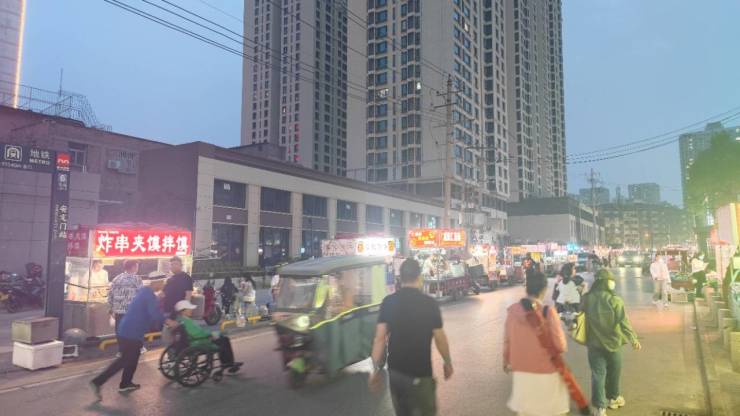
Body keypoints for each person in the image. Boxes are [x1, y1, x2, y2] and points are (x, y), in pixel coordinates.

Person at [369, 258, 453, 416]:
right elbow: (440, 338)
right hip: (420, 373)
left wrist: (375, 369)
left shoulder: (388, 302)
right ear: (419, 277)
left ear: (400, 278)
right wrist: (447, 362)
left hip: (396, 374)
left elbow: (379, 339)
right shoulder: (429, 303)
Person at [90, 277, 176, 400]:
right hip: (132, 332)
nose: (163, 286)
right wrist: (168, 321)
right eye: (162, 283)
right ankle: (97, 382)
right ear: (157, 282)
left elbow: (148, 309)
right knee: (125, 359)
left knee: (133, 357)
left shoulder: (144, 291)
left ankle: (126, 383)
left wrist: (158, 299)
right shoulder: (148, 294)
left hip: (130, 330)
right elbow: (154, 313)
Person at [504, 271, 569, 416]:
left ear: (527, 288)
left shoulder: (512, 311)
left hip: (521, 371)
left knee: (527, 411)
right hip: (546, 371)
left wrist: (506, 360)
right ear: (544, 289)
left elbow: (507, 340)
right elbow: (560, 346)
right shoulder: (547, 312)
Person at [582, 269, 641, 416]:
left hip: (594, 344)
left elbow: (579, 314)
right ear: (607, 282)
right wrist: (633, 339)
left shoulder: (587, 298)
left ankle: (599, 408)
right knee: (614, 372)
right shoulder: (615, 300)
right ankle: (613, 398)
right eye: (611, 280)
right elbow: (623, 322)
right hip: (614, 343)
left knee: (598, 375)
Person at [173, 299, 241, 372]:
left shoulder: (180, 319)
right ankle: (228, 363)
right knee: (224, 340)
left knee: (221, 338)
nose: (191, 310)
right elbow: (197, 334)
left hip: (192, 342)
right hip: (200, 342)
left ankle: (217, 364)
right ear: (183, 311)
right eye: (189, 309)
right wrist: (211, 334)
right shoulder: (187, 322)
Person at [108, 260, 142, 333]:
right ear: (133, 267)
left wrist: (111, 311)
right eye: (137, 267)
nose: (137, 269)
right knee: (131, 334)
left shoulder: (117, 278)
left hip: (119, 313)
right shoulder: (137, 279)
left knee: (120, 334)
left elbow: (110, 296)